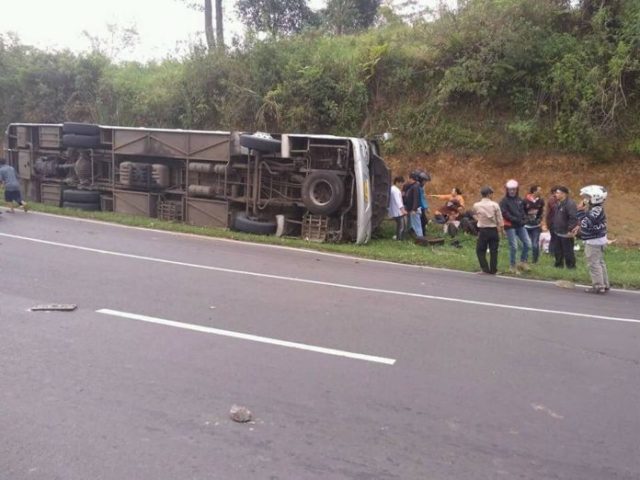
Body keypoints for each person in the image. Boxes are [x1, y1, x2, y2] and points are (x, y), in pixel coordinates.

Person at [575, 185, 610, 294]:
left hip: (594, 241)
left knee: (594, 264)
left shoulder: (596, 210)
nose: (586, 199)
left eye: (588, 197)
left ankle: (599, 286)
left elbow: (587, 223)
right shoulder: (596, 208)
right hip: (599, 239)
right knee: (599, 262)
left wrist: (580, 211)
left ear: (595, 197)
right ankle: (604, 284)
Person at [499, 179, 531, 273]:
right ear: (507, 190)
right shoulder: (504, 201)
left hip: (520, 225)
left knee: (528, 244)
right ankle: (512, 266)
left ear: (517, 189)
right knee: (514, 246)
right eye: (510, 189)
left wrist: (525, 219)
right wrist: (516, 219)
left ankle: (522, 262)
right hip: (510, 226)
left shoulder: (519, 199)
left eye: (514, 189)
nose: (512, 191)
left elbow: (523, 211)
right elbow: (505, 214)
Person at [473, 186, 504, 274]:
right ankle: (493, 270)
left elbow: (475, 215)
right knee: (494, 251)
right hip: (493, 230)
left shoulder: (476, 205)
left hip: (483, 230)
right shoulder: (495, 205)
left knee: (480, 250)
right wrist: (502, 231)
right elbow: (500, 219)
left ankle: (485, 269)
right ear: (489, 194)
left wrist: (480, 219)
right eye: (491, 194)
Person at [551, 185, 578, 269]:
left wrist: (570, 229)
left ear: (564, 194)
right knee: (557, 250)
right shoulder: (558, 203)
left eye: (558, 193)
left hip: (566, 232)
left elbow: (573, 217)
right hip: (557, 231)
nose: (556, 194)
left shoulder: (570, 204)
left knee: (568, 251)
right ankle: (558, 265)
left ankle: (571, 267)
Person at [524, 185, 545, 263]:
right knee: (526, 243)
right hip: (526, 226)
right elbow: (522, 212)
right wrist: (525, 219)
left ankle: (535, 261)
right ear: (534, 191)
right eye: (539, 190)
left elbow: (541, 212)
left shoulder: (541, 201)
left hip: (536, 226)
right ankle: (524, 260)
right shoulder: (525, 200)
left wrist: (539, 220)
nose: (541, 191)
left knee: (535, 244)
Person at [402, 171, 423, 238]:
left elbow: (416, 198)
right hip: (410, 208)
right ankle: (416, 237)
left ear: (411, 178)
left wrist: (414, 209)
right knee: (412, 224)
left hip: (414, 209)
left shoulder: (415, 186)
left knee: (416, 224)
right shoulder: (412, 185)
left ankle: (420, 237)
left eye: (409, 178)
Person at [388, 176, 407, 240]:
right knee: (401, 226)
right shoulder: (395, 190)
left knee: (400, 225)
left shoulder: (392, 189)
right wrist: (403, 210)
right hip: (398, 211)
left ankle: (399, 238)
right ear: (397, 182)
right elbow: (398, 201)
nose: (402, 185)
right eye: (401, 183)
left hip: (395, 210)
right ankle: (399, 239)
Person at [544, 186, 560, 255]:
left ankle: (554, 252)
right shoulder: (552, 199)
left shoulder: (556, 199)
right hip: (552, 222)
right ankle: (552, 252)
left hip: (554, 221)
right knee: (554, 237)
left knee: (555, 237)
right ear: (554, 192)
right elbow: (555, 208)